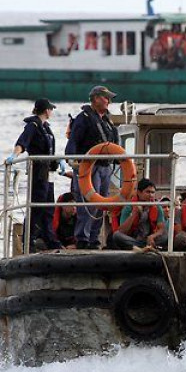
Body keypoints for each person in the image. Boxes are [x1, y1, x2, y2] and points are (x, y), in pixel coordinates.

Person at [5, 98, 65, 251]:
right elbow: (22, 142)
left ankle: (49, 237)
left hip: (48, 171)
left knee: (48, 206)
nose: (52, 112)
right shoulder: (33, 126)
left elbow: (49, 150)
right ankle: (28, 239)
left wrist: (58, 160)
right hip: (38, 171)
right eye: (51, 109)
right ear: (46, 110)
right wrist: (14, 155)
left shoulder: (46, 127)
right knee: (37, 205)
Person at [65, 85, 120, 249]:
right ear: (96, 98)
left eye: (109, 98)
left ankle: (94, 238)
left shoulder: (107, 120)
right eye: (105, 97)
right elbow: (73, 142)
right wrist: (73, 161)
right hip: (89, 167)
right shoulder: (84, 118)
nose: (108, 101)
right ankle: (83, 238)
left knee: (102, 204)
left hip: (105, 168)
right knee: (89, 203)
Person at [112, 178, 168, 250]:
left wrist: (152, 236)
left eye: (153, 192)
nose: (151, 195)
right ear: (139, 192)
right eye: (148, 192)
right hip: (133, 239)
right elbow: (122, 231)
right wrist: (133, 214)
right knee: (117, 236)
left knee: (165, 235)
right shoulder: (129, 207)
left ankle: (141, 247)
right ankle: (143, 247)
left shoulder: (157, 207)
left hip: (149, 239)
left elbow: (161, 229)